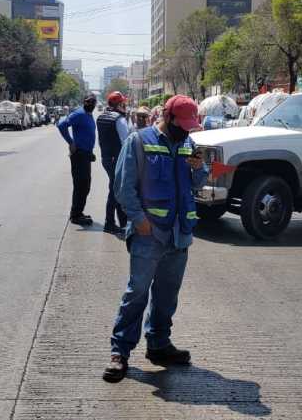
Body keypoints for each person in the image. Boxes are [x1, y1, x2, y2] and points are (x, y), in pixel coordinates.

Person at [102, 95, 208, 383]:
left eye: (190, 126)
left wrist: (199, 168)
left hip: (179, 234)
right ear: (168, 117)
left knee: (166, 296)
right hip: (149, 234)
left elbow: (197, 184)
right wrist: (139, 220)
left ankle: (159, 345)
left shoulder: (188, 144)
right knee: (136, 293)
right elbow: (123, 187)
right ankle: (119, 353)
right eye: (182, 125)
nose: (187, 131)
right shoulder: (138, 142)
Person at [56, 95, 97, 226]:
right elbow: (62, 125)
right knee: (81, 186)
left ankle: (79, 211)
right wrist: (71, 142)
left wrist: (90, 152)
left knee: (85, 186)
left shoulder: (88, 114)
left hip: (85, 154)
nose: (90, 103)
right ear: (84, 102)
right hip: (79, 155)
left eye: (92, 102)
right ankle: (75, 215)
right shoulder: (79, 113)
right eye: (87, 101)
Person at [97, 91, 130, 235]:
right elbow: (126, 141)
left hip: (106, 158)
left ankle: (122, 222)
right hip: (117, 159)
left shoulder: (101, 117)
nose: (125, 105)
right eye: (123, 102)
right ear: (119, 104)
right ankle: (109, 223)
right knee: (115, 190)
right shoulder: (119, 119)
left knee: (115, 189)